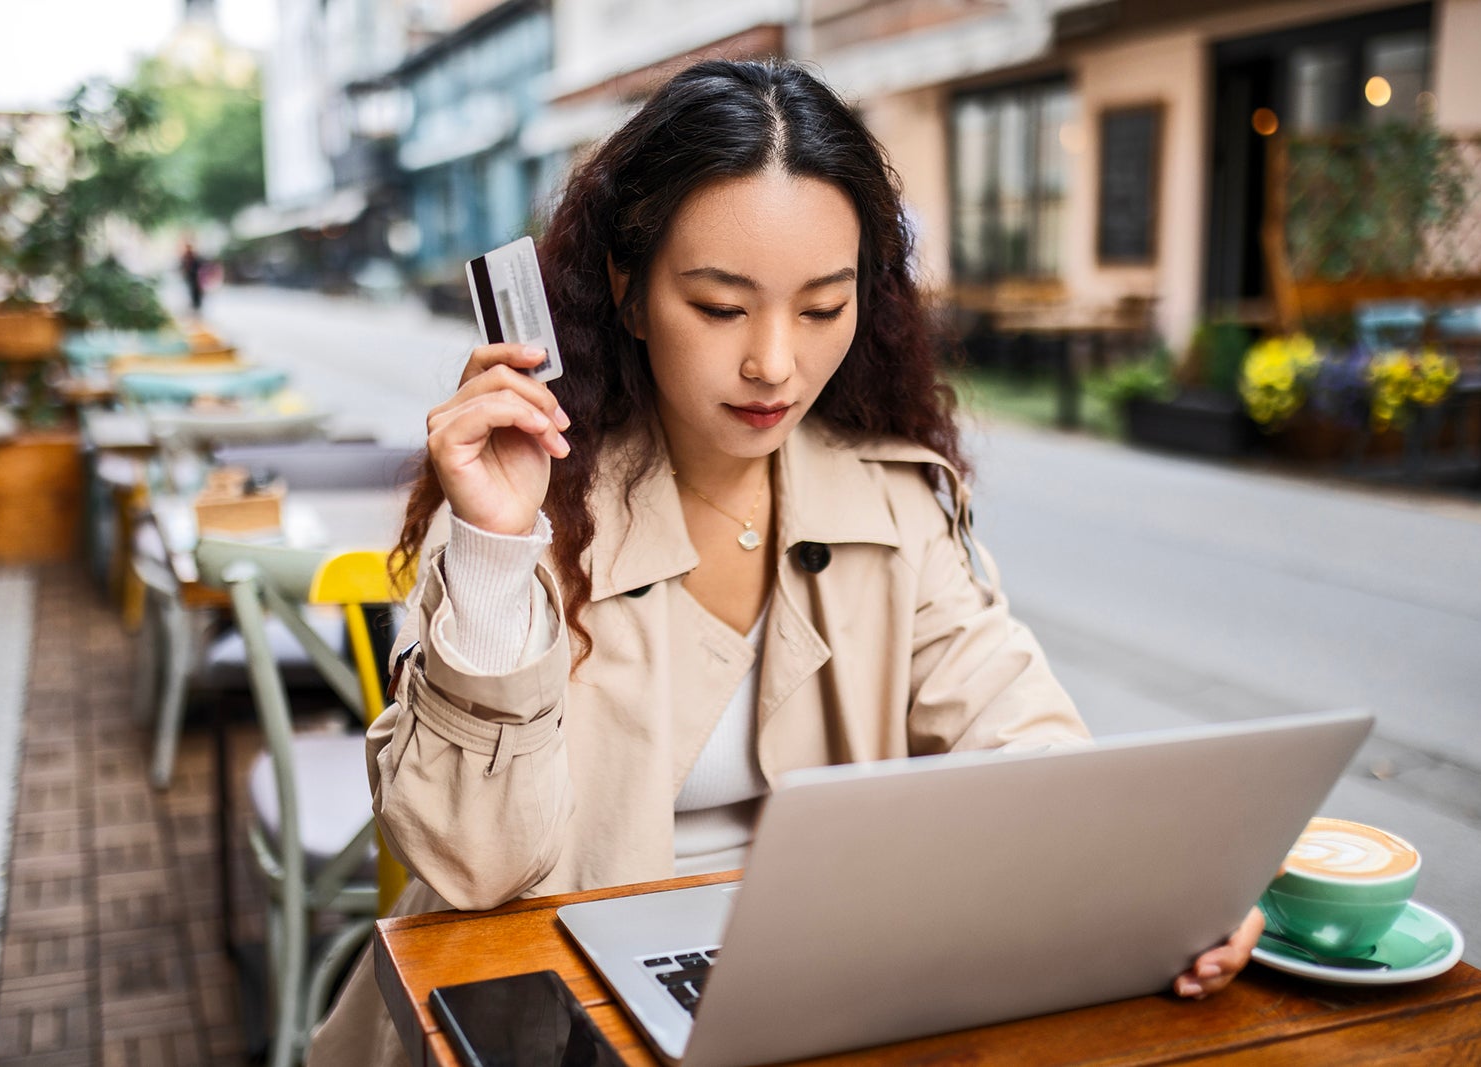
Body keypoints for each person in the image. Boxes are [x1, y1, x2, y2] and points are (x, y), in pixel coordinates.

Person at [308, 58, 1262, 1066]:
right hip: (557, 1019)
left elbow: (1018, 735)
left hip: (825, 996)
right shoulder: (531, 503)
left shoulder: (893, 501)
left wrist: (1151, 884)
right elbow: (472, 865)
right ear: (627, 293)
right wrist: (498, 547)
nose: (775, 361)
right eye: (721, 307)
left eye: (820, 308)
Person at [179, 239, 204, 314]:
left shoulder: (194, 256)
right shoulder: (186, 256)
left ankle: (197, 305)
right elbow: (183, 265)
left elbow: (199, 265)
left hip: (196, 276)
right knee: (191, 291)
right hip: (190, 277)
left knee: (196, 291)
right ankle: (194, 305)